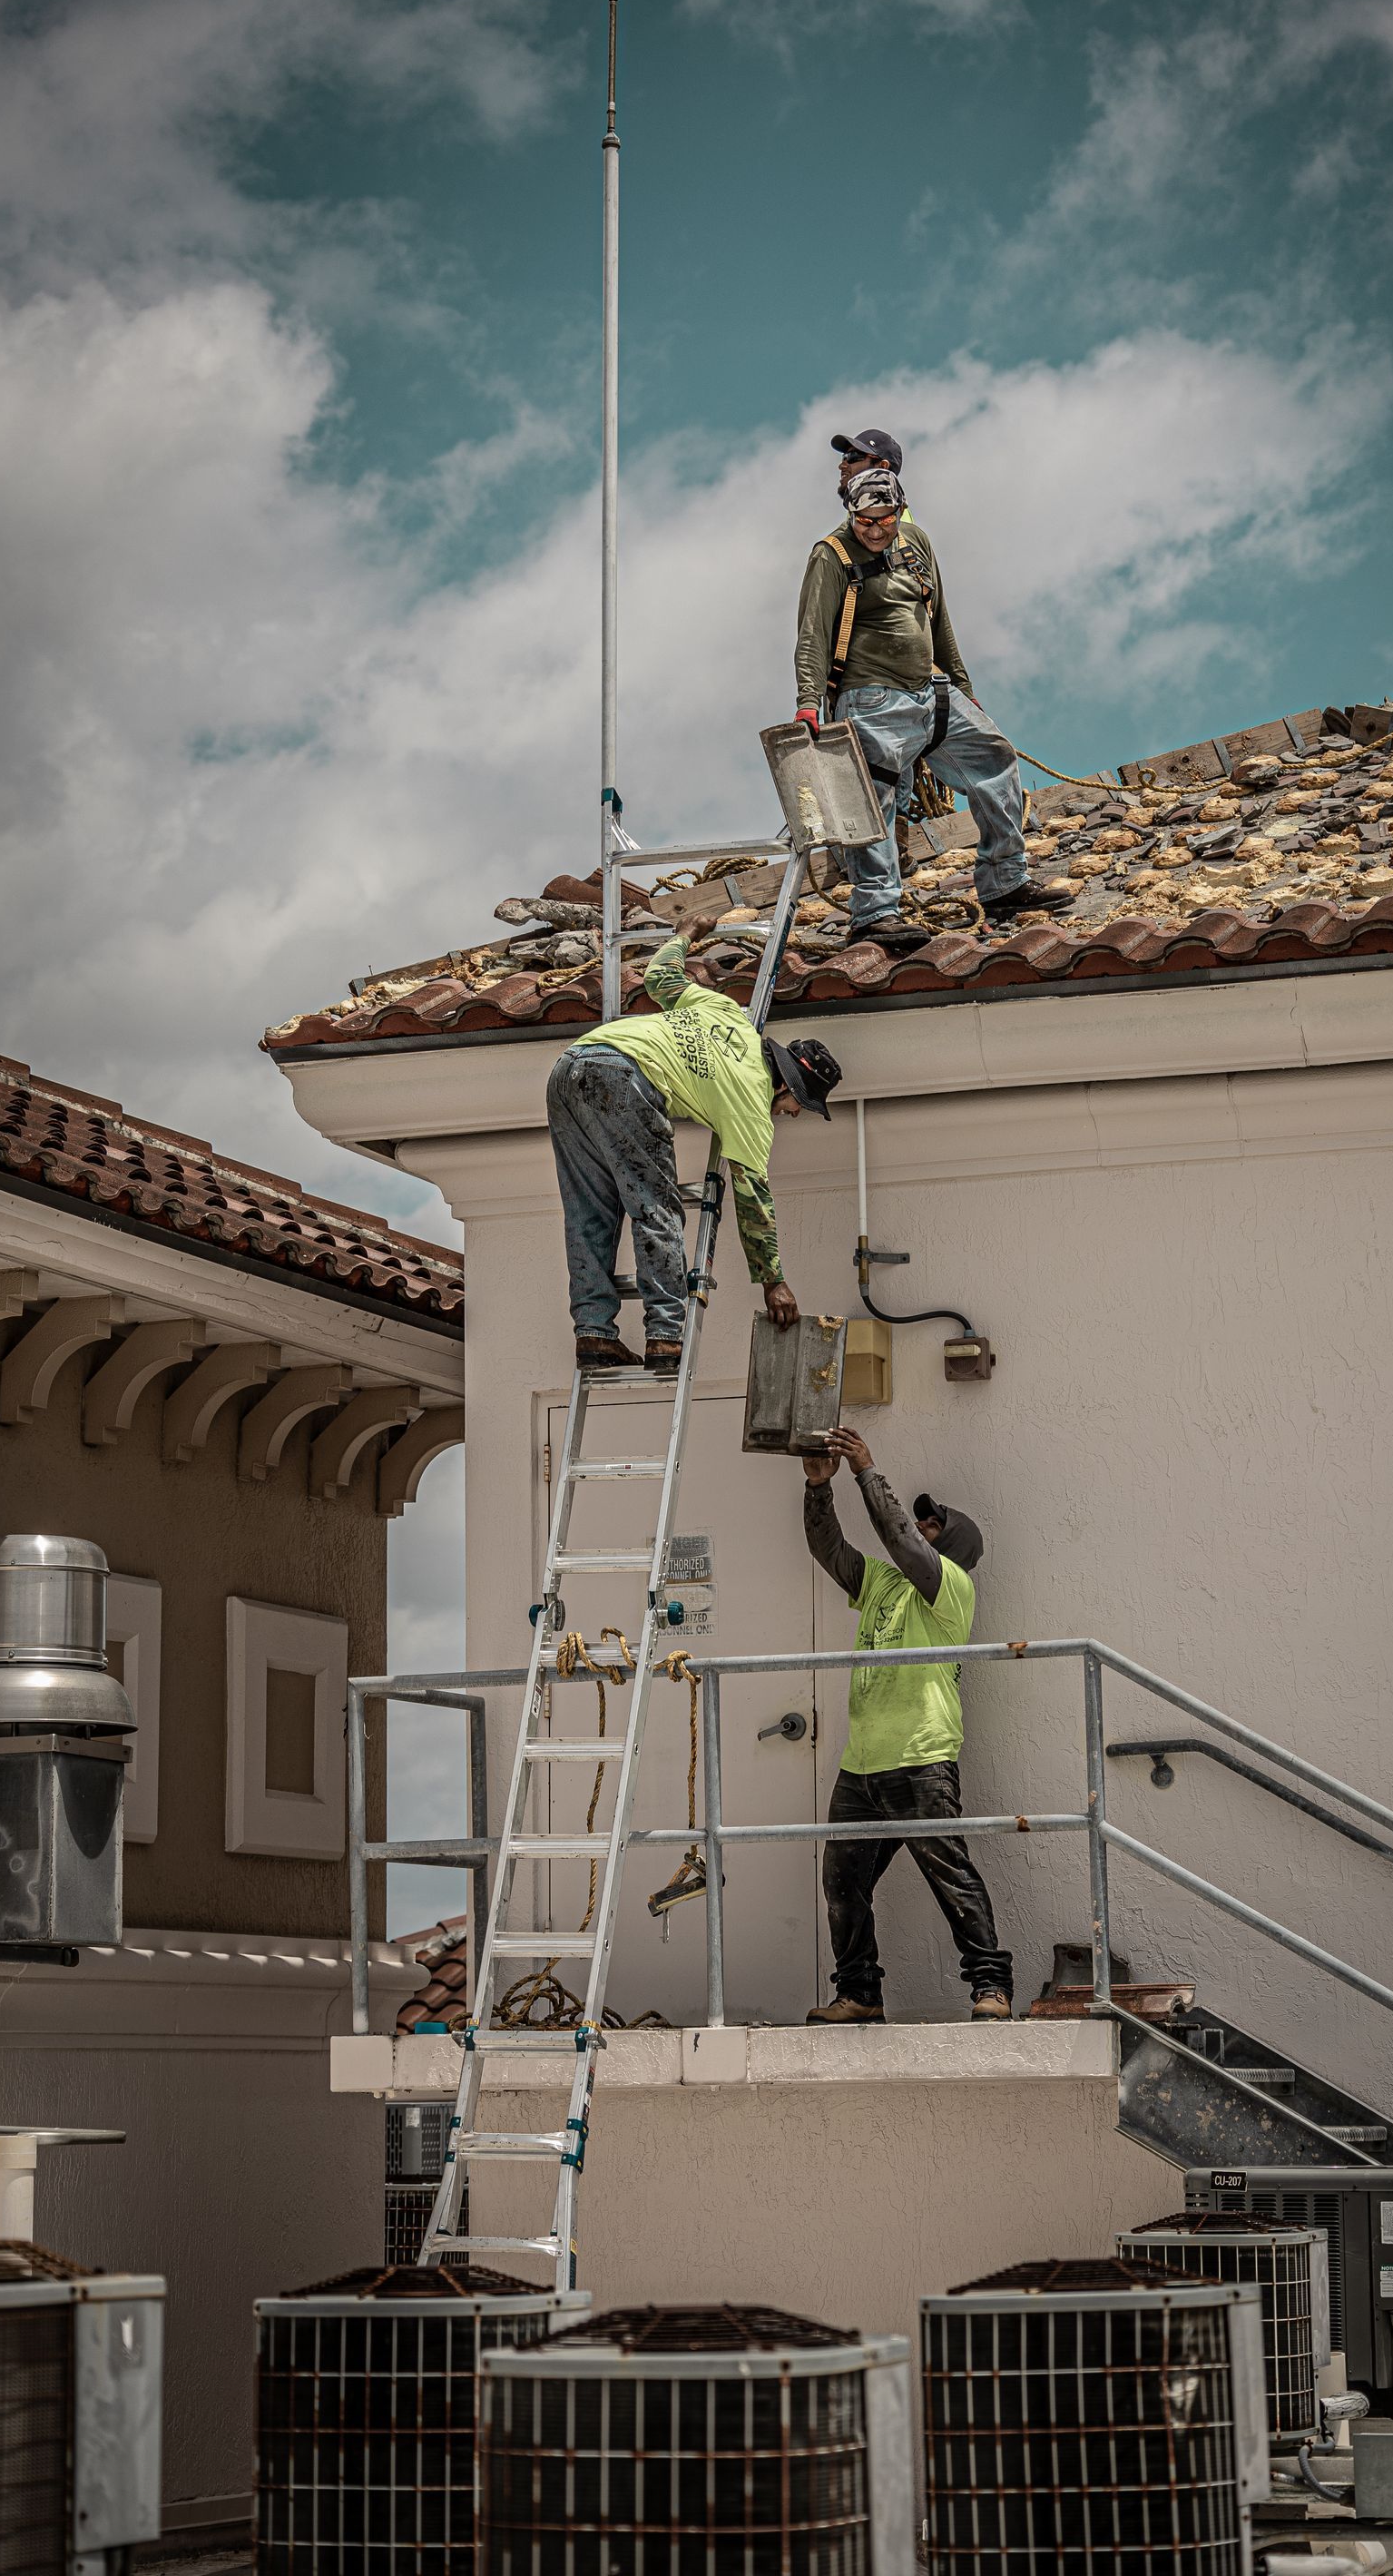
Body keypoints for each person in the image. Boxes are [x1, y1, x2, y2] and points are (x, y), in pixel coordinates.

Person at [793, 428, 1073, 955]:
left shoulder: (916, 543)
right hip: (871, 699)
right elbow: (812, 635)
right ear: (852, 514)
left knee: (995, 759)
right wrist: (809, 703)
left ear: (899, 509)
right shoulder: (830, 556)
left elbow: (938, 616)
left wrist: (962, 686)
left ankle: (1005, 881)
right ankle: (875, 913)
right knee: (872, 803)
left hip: (932, 693)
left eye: (884, 520)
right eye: (865, 521)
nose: (875, 530)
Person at [546, 926, 840, 1372]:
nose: (794, 1114)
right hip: (626, 1077)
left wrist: (684, 935)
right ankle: (665, 1336)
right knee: (655, 1209)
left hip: (572, 1065)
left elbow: (660, 978)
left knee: (589, 1211)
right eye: (800, 1104)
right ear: (789, 1083)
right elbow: (754, 1203)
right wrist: (773, 1282)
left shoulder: (725, 1010)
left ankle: (594, 1333)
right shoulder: (752, 1107)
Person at [800, 1422, 1014, 2023]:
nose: (921, 1527)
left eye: (934, 1525)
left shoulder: (951, 1588)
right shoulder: (884, 1585)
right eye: (922, 1521)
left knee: (950, 1876)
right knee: (843, 1885)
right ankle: (860, 1993)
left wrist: (868, 1471)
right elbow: (829, 1549)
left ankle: (991, 1986)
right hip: (861, 1765)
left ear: (954, 1548)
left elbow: (896, 1537)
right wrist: (820, 1488)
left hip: (921, 1758)